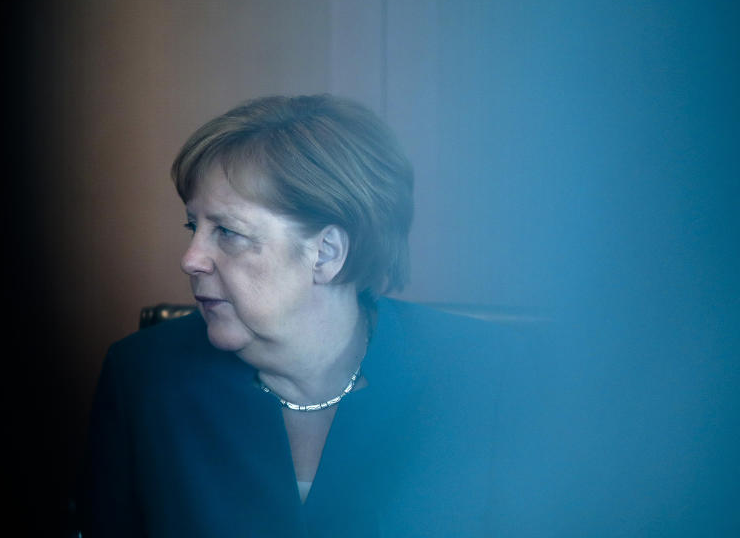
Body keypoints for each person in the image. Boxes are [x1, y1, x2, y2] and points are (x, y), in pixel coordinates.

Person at [82, 95, 586, 537]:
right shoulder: (144, 376)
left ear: (326, 253)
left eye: (227, 232)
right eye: (194, 226)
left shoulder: (485, 375)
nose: (191, 258)